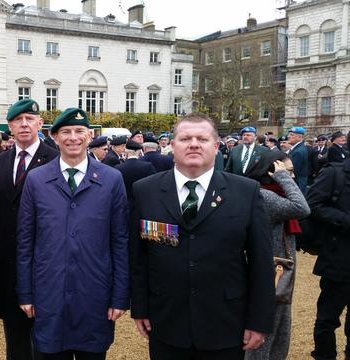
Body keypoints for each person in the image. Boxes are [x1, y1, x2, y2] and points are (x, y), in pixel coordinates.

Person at [130, 113, 275, 360]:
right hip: (166, 321)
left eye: (202, 138)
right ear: (172, 146)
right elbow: (139, 256)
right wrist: (140, 307)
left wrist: (259, 320)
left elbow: (261, 262)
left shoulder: (245, 191)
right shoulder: (146, 190)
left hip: (226, 322)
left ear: (216, 147)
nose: (194, 144)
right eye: (185, 138)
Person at [17, 108, 130, 359]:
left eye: (79, 131)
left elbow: (120, 240)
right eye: (65, 132)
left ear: (90, 135)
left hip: (94, 294)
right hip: (49, 294)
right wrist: (25, 292)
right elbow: (25, 241)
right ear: (54, 137)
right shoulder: (36, 179)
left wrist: (120, 295)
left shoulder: (112, 180)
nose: (73, 137)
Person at [0, 99, 58, 360]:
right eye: (18, 120)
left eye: (30, 118)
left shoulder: (56, 160)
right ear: (10, 126)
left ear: (40, 123)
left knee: (45, 336)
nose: (24, 124)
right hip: (8, 263)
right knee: (15, 336)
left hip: (45, 262)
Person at [244, 151, 310, 360]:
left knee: (278, 332)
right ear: (270, 172)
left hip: (279, 272)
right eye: (286, 171)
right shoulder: (266, 195)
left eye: (290, 172)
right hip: (272, 274)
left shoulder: (272, 194)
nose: (291, 177)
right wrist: (282, 177)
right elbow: (302, 208)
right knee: (267, 334)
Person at [308, 132, 350, 360]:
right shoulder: (335, 173)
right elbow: (311, 205)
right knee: (327, 318)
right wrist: (344, 221)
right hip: (339, 258)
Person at [286, 127, 310, 194]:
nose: (288, 136)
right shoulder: (297, 148)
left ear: (299, 137)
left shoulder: (298, 151)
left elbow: (293, 170)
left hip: (296, 184)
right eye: (289, 134)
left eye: (291, 135)